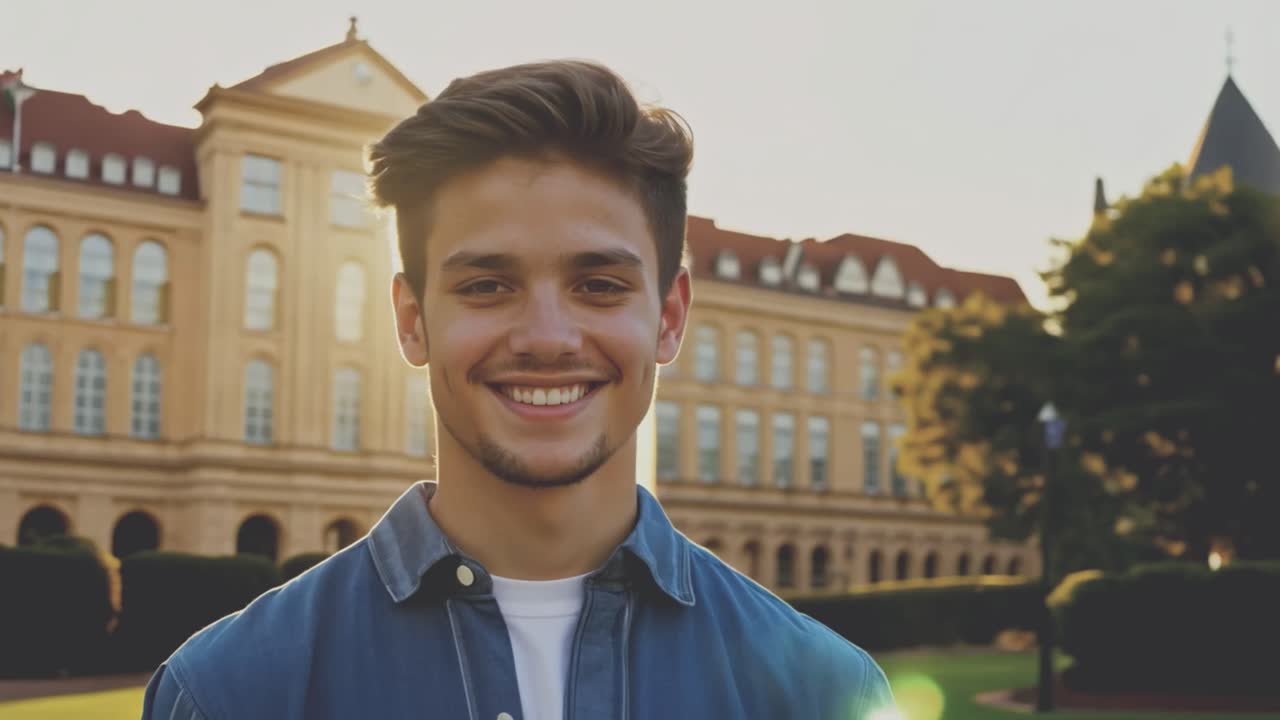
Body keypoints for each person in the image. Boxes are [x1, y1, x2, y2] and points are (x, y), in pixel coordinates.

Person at [141, 60, 896, 720]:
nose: (545, 337)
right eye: (488, 284)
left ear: (668, 318)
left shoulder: (823, 693)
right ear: (411, 321)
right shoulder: (228, 695)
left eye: (598, 285)